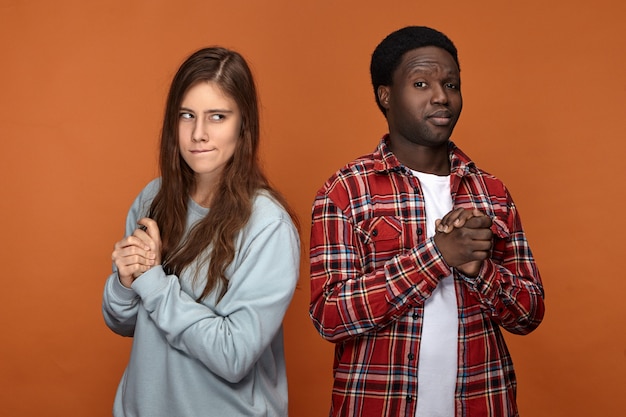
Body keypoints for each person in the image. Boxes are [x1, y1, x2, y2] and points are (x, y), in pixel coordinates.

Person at [309, 26, 545, 417]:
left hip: (484, 403)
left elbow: (529, 314)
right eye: (421, 83)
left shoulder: (492, 192)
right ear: (386, 95)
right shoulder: (345, 191)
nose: (441, 96)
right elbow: (329, 315)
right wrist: (438, 256)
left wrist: (478, 270)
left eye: (451, 84)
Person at [102, 47, 300, 417]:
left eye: (217, 117)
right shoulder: (153, 198)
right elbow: (124, 323)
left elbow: (233, 355)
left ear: (244, 125)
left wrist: (154, 282)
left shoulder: (268, 225)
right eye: (187, 115)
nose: (198, 133)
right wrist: (125, 284)